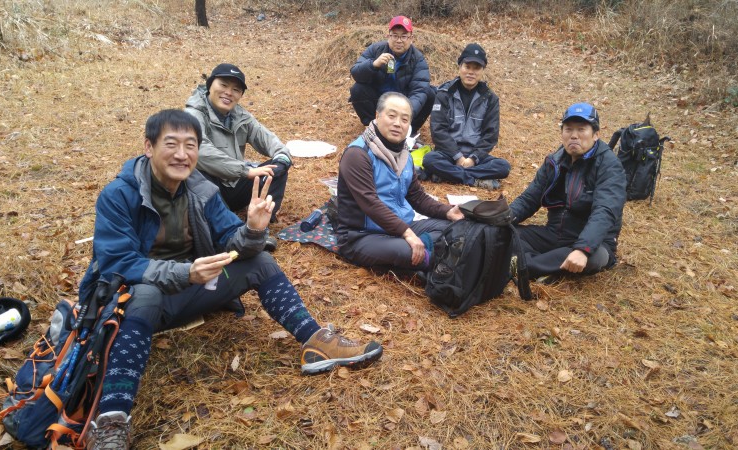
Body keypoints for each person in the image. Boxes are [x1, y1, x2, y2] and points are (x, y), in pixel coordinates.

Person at [81, 110, 383, 449]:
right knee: (146, 294)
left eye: (190, 145)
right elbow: (117, 263)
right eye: (171, 144)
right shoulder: (119, 195)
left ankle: (315, 341)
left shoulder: (200, 189)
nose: (182, 154)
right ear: (149, 147)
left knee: (261, 260)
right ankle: (111, 420)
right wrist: (185, 272)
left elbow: (231, 238)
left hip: (189, 290)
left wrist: (253, 229)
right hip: (134, 306)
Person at [336, 92, 464, 272]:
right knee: (407, 251)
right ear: (377, 115)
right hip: (361, 235)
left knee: (458, 228)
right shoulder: (358, 154)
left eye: (404, 119)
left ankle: (428, 254)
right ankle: (437, 264)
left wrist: (448, 211)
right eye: (392, 116)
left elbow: (417, 197)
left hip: (402, 227)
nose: (398, 123)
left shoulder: (404, 155)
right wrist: (407, 233)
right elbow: (370, 204)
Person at [510, 103, 627, 281]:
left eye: (581, 129)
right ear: (562, 133)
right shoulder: (554, 161)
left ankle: (522, 266)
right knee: (504, 234)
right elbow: (529, 199)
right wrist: (502, 219)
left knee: (594, 258)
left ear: (596, 134)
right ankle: (542, 267)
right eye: (568, 129)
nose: (574, 135)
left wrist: (583, 249)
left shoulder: (609, 165)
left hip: (595, 243)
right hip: (554, 234)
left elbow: (605, 211)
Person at [185, 63, 291, 231]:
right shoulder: (193, 114)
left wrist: (282, 159)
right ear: (209, 85)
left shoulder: (240, 116)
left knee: (276, 169)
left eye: (236, 89)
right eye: (223, 85)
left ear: (240, 95)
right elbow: (200, 151)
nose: (229, 92)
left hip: (234, 183)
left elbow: (268, 139)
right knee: (195, 174)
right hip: (210, 186)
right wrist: (245, 171)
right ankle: (227, 227)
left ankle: (260, 223)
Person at [422, 43, 510, 190]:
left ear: (482, 70)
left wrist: (473, 159)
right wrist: (457, 156)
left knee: (503, 167)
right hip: (447, 153)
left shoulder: (490, 99)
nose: (471, 72)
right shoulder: (444, 93)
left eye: (476, 68)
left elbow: (490, 135)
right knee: (430, 159)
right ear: (459, 66)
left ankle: (447, 174)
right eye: (467, 67)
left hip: (475, 156)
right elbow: (438, 130)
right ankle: (474, 180)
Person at [349, 16, 436, 134]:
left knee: (429, 93)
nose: (399, 41)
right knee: (358, 89)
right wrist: (373, 65)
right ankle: (373, 127)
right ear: (388, 36)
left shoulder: (418, 59)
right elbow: (355, 73)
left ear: (411, 38)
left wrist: (405, 112)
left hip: (403, 102)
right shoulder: (376, 49)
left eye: (404, 36)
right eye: (395, 36)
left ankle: (409, 130)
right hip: (379, 100)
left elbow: (420, 90)